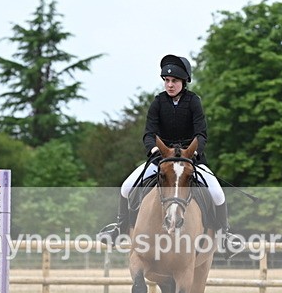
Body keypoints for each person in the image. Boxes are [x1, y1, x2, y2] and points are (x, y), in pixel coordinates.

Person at [98, 54, 241, 254]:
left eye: (174, 81)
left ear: (184, 82)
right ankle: (120, 228)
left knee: (217, 192)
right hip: (162, 158)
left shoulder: (193, 102)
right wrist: (154, 149)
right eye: (166, 80)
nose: (170, 85)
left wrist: (195, 151)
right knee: (126, 186)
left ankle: (225, 236)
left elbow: (201, 133)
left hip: (189, 159)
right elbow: (149, 133)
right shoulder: (158, 102)